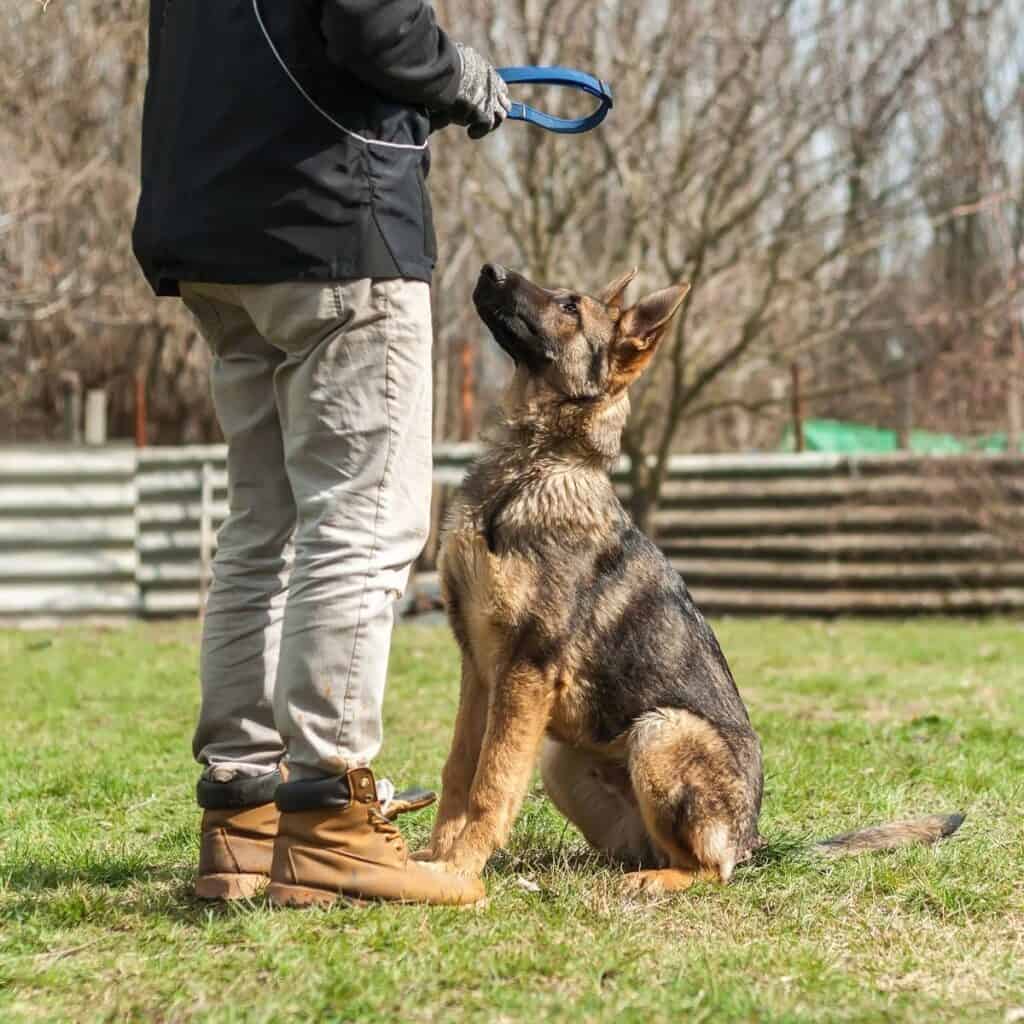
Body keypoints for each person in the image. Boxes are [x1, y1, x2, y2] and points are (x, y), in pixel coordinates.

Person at [132, 0, 510, 907]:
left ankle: (242, 815)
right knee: (363, 521)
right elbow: (371, 21)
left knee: (262, 528)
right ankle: (330, 818)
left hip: (212, 224)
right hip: (334, 221)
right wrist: (455, 74)